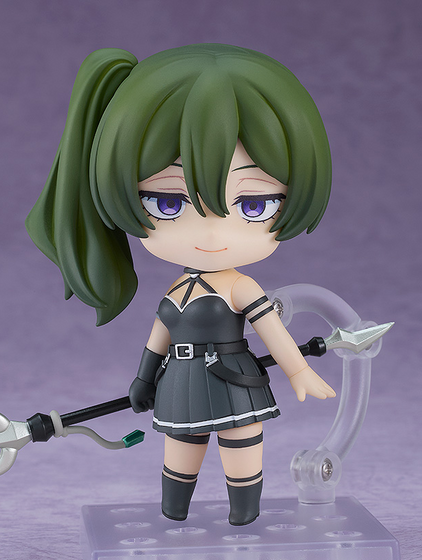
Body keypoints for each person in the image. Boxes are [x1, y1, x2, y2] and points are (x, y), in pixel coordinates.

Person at [26, 43, 336, 526]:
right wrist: (143, 378)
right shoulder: (175, 290)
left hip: (233, 378)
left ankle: (244, 514)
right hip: (181, 380)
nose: (211, 233)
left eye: (254, 205)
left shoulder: (241, 287)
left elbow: (271, 330)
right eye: (167, 203)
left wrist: (298, 370)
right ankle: (174, 511)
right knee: (181, 448)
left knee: (240, 444)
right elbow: (159, 336)